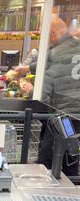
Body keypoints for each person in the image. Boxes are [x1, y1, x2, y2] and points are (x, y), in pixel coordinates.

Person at [38, 16, 80, 175]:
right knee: (72, 157)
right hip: (78, 116)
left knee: (47, 159)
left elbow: (44, 96)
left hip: (63, 117)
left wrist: (30, 91)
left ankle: (44, 195)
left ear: (51, 34)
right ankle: (72, 195)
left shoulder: (55, 52)